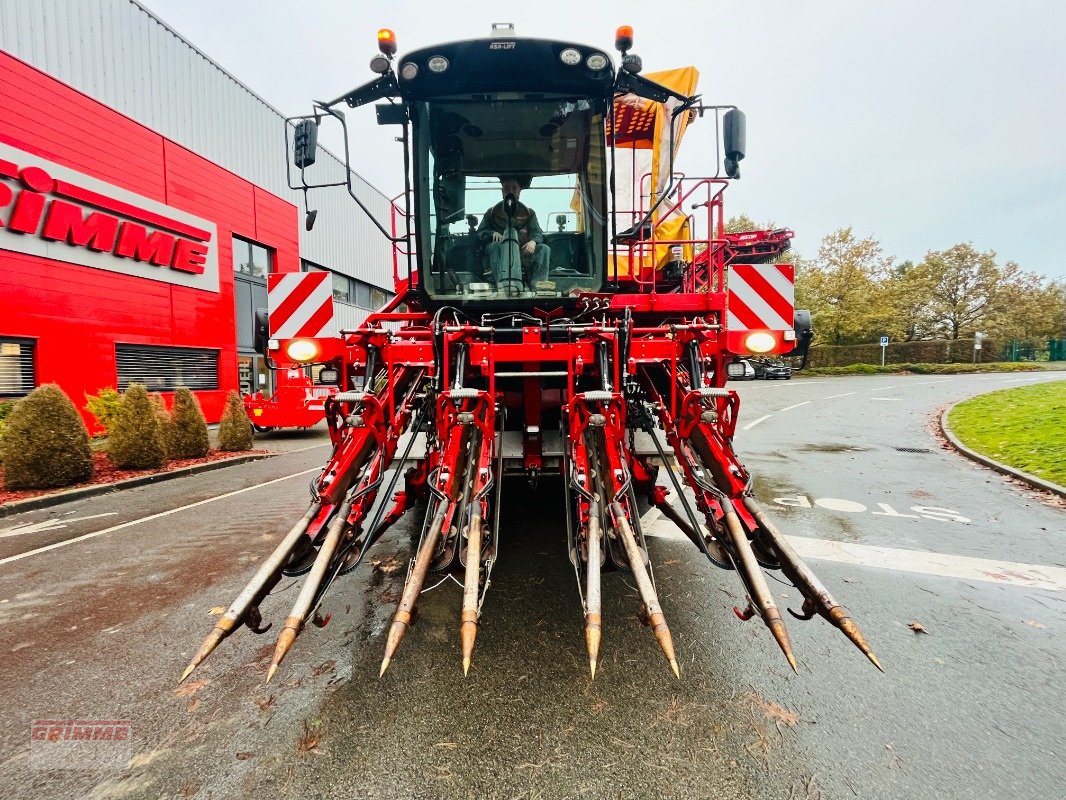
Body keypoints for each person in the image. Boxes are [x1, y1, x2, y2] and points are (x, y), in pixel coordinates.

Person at [475, 176, 551, 292]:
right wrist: (492, 233)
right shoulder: (491, 212)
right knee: (494, 246)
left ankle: (539, 287)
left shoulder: (529, 213)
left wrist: (533, 242)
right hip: (501, 251)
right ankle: (501, 285)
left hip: (522, 252)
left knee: (544, 249)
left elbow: (537, 232)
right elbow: (481, 232)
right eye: (506, 188)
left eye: (514, 188)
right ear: (502, 191)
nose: (510, 191)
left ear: (520, 190)